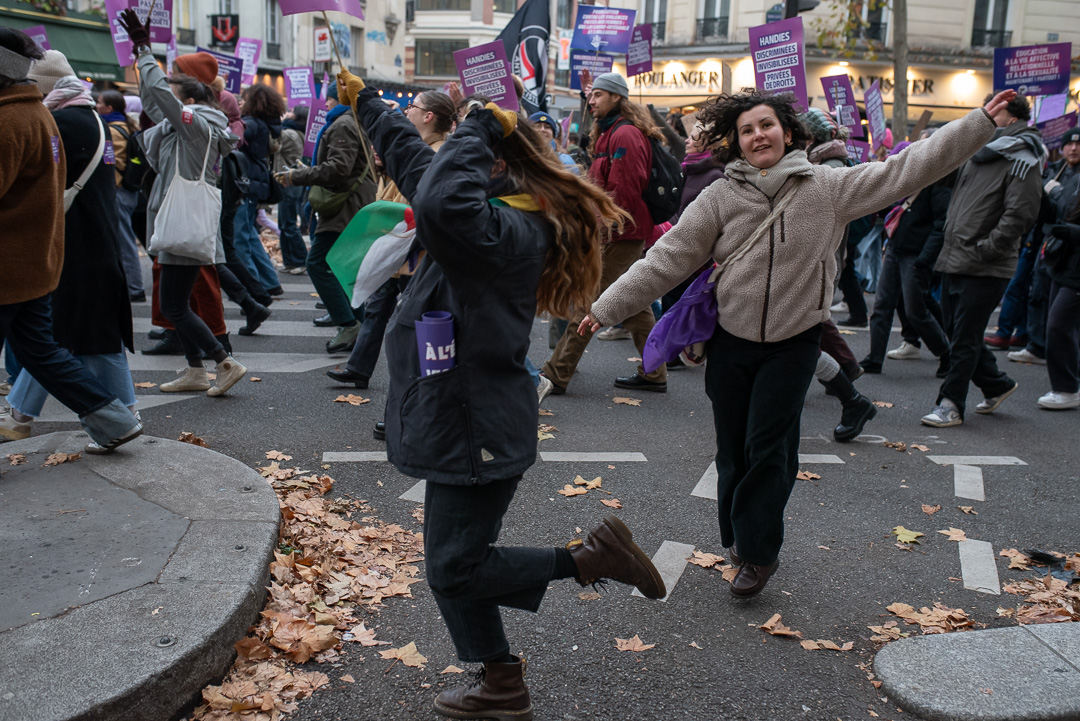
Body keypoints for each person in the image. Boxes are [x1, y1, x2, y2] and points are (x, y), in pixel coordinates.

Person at [581, 87, 1011, 598]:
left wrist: (979, 123)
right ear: (735, 143)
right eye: (746, 130)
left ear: (787, 132)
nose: (757, 135)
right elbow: (667, 258)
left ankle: (758, 554)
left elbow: (906, 168)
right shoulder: (719, 196)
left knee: (769, 450)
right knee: (734, 453)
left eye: (766, 125)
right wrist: (604, 305)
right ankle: (742, 536)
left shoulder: (828, 188)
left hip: (794, 343)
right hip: (731, 344)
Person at [338, 69, 665, 721]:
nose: (449, 150)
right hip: (455, 416)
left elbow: (438, 202)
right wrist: (365, 103)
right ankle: (500, 681)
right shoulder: (485, 212)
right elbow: (414, 164)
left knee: (454, 567)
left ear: (491, 162)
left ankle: (587, 561)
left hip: (475, 423)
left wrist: (488, 118)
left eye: (464, 144)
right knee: (454, 562)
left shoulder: (504, 231)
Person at [0, 27, 142, 451]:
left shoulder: (11, 121)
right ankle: (114, 419)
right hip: (37, 261)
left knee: (50, 349)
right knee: (45, 351)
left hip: (9, 264)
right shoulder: (40, 115)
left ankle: (113, 416)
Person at [119, 10, 247, 397]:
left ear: (189, 100)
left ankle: (223, 362)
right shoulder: (198, 123)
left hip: (181, 220)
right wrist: (146, 63)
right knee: (180, 300)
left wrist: (143, 49)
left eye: (177, 95)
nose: (169, 103)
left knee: (175, 306)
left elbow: (158, 98)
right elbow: (155, 101)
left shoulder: (196, 124)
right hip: (186, 220)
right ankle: (195, 370)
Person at [921, 94, 1044, 427]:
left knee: (964, 336)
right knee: (956, 331)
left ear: (1007, 113)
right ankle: (996, 383)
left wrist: (986, 249)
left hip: (987, 262)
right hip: (955, 255)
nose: (984, 115)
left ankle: (950, 404)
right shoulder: (978, 150)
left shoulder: (1023, 155)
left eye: (992, 110)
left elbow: (1021, 213)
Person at [542, 72, 668, 395]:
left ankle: (557, 373)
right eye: (591, 95)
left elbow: (622, 195)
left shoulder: (624, 134)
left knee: (591, 302)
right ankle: (654, 372)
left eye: (598, 95)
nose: (591, 101)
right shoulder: (612, 132)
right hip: (618, 230)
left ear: (617, 97)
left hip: (620, 233)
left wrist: (601, 230)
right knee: (636, 303)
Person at [325, 91, 454, 389]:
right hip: (394, 248)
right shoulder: (418, 147)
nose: (407, 111)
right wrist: (382, 169)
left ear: (428, 116)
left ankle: (409, 401)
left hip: (413, 253)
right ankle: (359, 367)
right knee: (377, 308)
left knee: (410, 326)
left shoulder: (435, 154)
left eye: (413, 106)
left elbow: (419, 204)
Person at [276, 81, 376, 354]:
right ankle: (358, 326)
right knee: (345, 269)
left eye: (330, 98)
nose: (326, 103)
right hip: (353, 205)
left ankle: (348, 324)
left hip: (344, 206)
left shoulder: (343, 124)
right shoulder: (355, 121)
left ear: (339, 99)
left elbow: (338, 169)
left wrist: (297, 176)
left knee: (318, 263)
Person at [860, 130, 953, 377]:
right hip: (895, 248)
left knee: (916, 310)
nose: (919, 150)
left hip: (916, 254)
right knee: (881, 306)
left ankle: (946, 354)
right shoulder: (911, 174)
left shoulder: (941, 179)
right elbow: (898, 207)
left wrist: (925, 258)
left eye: (925, 145)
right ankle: (874, 358)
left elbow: (941, 225)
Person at [989, 128, 1080, 352]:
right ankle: (1031, 339)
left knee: (1054, 307)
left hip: (1069, 250)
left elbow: (1065, 213)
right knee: (1031, 291)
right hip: (1041, 240)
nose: (1074, 148)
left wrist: (1056, 195)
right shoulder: (1054, 171)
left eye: (1078, 144)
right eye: (1069, 143)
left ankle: (1039, 345)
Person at [232, 84, 285, 295]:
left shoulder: (252, 124)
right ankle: (270, 282)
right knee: (249, 235)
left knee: (240, 239)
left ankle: (253, 289)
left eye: (244, 99)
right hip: (254, 184)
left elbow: (233, 143)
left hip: (247, 184)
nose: (240, 102)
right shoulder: (263, 124)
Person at [96, 89, 147, 302]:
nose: (96, 106)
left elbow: (112, 162)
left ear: (109, 108)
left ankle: (135, 288)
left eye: (99, 103)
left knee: (125, 242)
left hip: (120, 192)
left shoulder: (114, 131)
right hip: (128, 192)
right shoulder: (126, 126)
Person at [1038, 192, 1080, 409]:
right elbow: (1058, 214)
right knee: (1060, 327)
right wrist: (1042, 195)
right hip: (1063, 267)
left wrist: (1071, 232)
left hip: (1075, 275)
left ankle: (1067, 389)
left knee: (1058, 326)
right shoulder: (1072, 181)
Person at [275, 104, 309, 274]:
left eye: (291, 112)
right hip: (292, 181)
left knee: (288, 223)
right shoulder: (298, 132)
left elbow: (274, 144)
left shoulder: (289, 133)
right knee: (284, 223)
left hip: (289, 182)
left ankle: (300, 259)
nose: (287, 114)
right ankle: (289, 261)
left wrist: (278, 123)